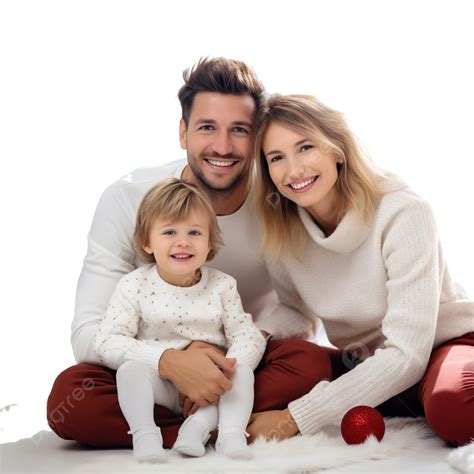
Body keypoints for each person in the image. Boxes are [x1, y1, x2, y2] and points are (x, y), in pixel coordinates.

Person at [47, 59, 328, 448]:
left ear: (258, 137)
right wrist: (173, 360)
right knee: (70, 396)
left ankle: (192, 422)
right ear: (183, 132)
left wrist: (222, 356)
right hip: (151, 365)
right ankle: (224, 424)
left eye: (240, 130)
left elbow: (300, 312)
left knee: (311, 363)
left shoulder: (281, 198)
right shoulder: (127, 199)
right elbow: (89, 334)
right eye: (207, 127)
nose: (223, 146)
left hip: (241, 362)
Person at [249, 93, 474, 447]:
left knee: (454, 405)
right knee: (258, 378)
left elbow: (408, 354)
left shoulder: (402, 212)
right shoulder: (282, 231)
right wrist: (253, 340)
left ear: (336, 148)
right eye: (277, 158)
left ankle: (420, 398)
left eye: (306, 147)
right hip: (362, 362)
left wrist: (294, 418)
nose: (294, 170)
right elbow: (295, 311)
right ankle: (397, 399)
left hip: (436, 349)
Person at [95, 178, 266, 461]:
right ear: (146, 242)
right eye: (170, 232)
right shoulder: (133, 285)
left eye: (195, 233)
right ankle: (146, 435)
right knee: (128, 372)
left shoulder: (223, 286)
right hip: (160, 384)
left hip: (214, 387)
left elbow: (247, 335)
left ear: (210, 241)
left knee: (245, 374)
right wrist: (164, 360)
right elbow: (107, 341)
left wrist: (223, 372)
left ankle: (228, 434)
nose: (183, 242)